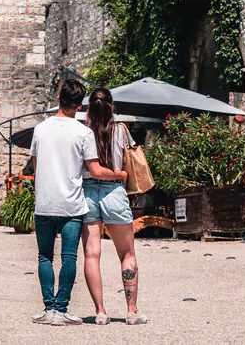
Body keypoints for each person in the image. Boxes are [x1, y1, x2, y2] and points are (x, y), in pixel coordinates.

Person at [30, 79, 128, 326]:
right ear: (79, 104)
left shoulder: (40, 129)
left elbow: (35, 165)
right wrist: (120, 175)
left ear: (58, 99)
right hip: (71, 204)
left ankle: (48, 308)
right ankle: (61, 309)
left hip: (44, 202)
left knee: (44, 258)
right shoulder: (83, 133)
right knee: (69, 258)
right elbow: (95, 170)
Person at [81, 87, 147, 325]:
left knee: (91, 254)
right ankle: (131, 310)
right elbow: (131, 157)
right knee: (127, 253)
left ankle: (100, 311)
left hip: (87, 193)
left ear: (89, 107)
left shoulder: (82, 132)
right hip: (114, 192)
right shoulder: (121, 130)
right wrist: (120, 173)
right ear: (111, 106)